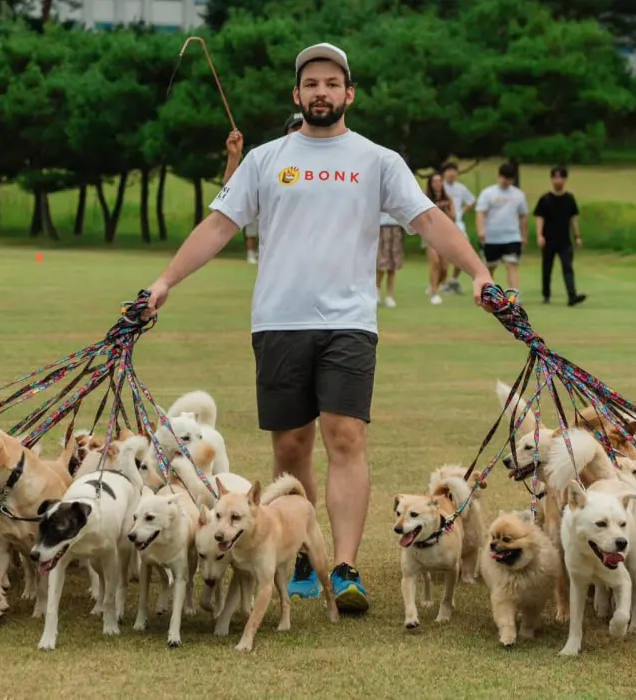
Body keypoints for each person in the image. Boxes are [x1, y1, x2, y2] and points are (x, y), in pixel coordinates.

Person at [143, 42, 493, 615]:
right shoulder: (264, 159)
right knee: (291, 444)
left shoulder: (377, 160)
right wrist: (164, 282)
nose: (322, 92)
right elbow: (217, 226)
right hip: (279, 320)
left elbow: (429, 220)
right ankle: (304, 551)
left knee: (346, 437)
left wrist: (478, 272)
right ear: (297, 95)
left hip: (350, 322)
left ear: (348, 93)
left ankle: (347, 565)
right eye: (312, 84)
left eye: (333, 83)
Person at [226, 113, 305, 264]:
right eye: (295, 128)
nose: (300, 131)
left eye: (304, 127)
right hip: (277, 261)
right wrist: (234, 157)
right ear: (286, 133)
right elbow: (231, 191)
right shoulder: (268, 162)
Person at [534, 166, 587, 306]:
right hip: (548, 239)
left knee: (567, 267)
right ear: (551, 179)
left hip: (564, 240)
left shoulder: (569, 199)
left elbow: (573, 218)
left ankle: (572, 295)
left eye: (561, 177)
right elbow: (540, 218)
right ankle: (546, 294)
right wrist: (539, 235)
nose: (558, 180)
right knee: (547, 267)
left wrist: (578, 236)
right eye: (555, 177)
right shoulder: (545, 199)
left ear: (565, 179)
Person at [475, 162, 530, 294]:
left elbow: (524, 216)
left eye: (509, 179)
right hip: (492, 237)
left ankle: (514, 297)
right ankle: (489, 295)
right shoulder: (488, 193)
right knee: (490, 267)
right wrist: (481, 230)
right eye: (504, 178)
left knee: (512, 265)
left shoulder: (518, 195)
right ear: (499, 176)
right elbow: (480, 213)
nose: (506, 181)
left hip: (512, 237)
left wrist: (524, 236)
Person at [440, 162, 475, 295]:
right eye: (449, 171)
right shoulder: (439, 187)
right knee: (442, 256)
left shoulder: (461, 188)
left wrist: (461, 211)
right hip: (441, 224)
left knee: (463, 252)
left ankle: (454, 280)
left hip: (458, 224)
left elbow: (471, 201)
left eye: (454, 171)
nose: (452, 174)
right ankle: (441, 283)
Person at [423, 172, 454, 305]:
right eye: (434, 181)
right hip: (431, 235)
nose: (437, 184)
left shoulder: (448, 199)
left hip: (445, 235)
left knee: (444, 268)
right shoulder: (425, 199)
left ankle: (434, 285)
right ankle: (435, 293)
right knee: (435, 263)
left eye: (439, 180)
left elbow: (453, 216)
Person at [375, 211, 404, 308]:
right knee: (381, 265)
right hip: (382, 227)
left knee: (393, 266)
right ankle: (376, 291)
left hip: (395, 228)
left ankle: (389, 296)